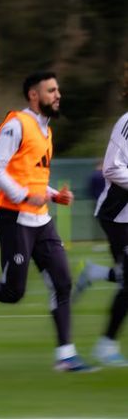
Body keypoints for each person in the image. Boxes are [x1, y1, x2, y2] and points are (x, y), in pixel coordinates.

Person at [0, 71, 94, 372]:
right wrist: (23, 195)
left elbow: (32, 179)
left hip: (40, 219)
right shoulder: (17, 124)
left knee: (62, 282)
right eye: (51, 90)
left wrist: (55, 195)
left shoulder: (46, 131)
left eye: (58, 90)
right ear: (34, 95)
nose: (58, 95)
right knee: (12, 292)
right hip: (13, 218)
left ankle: (66, 356)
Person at [74, 111, 128, 366]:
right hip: (117, 215)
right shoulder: (126, 123)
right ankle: (106, 346)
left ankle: (94, 273)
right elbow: (112, 168)